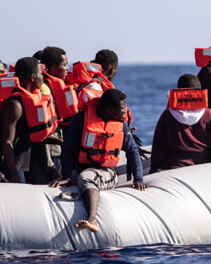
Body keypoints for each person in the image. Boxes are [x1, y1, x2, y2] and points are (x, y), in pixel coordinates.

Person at [52, 88, 145, 233]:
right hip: (80, 168)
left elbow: (133, 151)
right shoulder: (81, 119)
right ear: (109, 110)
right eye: (121, 110)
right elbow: (68, 150)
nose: (124, 113)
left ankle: (92, 219)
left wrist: (138, 179)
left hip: (106, 172)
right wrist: (67, 176)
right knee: (58, 182)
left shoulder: (122, 125)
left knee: (86, 177)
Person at [150, 74, 211, 173]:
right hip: (198, 168)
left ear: (179, 91)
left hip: (170, 167)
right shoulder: (209, 115)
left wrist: (152, 172)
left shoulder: (168, 115)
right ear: (199, 92)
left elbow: (158, 149)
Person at [0, 57, 57, 184]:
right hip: (17, 167)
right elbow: (7, 142)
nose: (43, 77)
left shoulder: (32, 99)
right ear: (32, 77)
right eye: (40, 74)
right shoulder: (15, 105)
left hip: (31, 164)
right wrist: (14, 175)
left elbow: (32, 133)